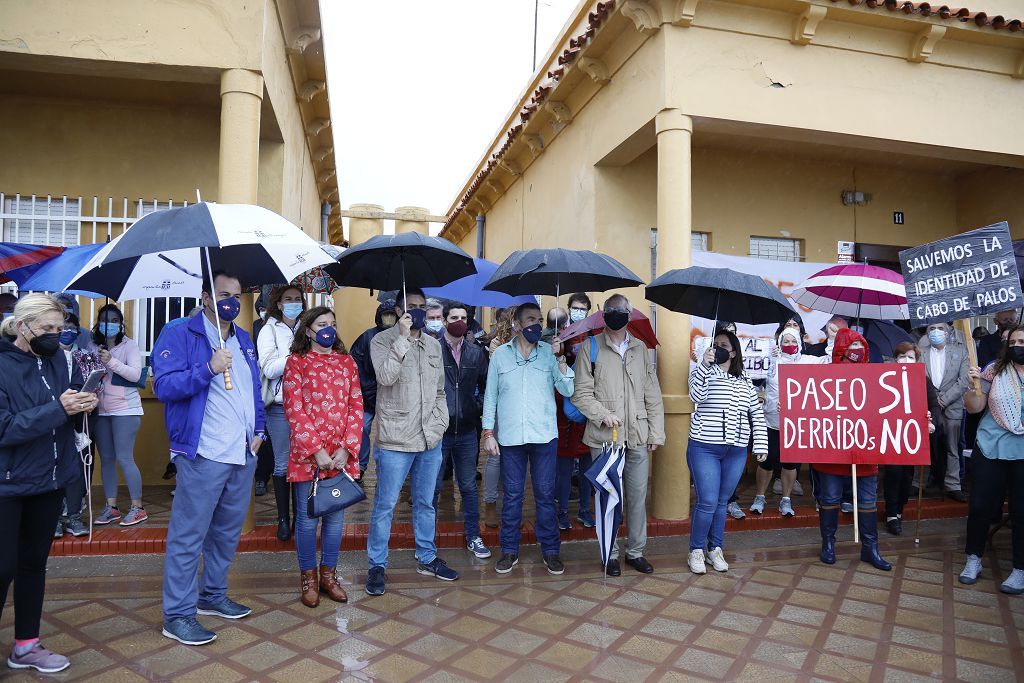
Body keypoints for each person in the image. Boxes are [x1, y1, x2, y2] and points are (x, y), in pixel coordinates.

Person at [153, 271, 266, 646]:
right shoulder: (179, 332)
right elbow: (165, 386)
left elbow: (254, 391)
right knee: (189, 536)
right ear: (204, 296)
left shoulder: (243, 338)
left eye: (236, 295)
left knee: (226, 533)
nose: (230, 301)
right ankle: (178, 615)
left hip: (241, 452)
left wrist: (260, 430)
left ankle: (212, 596)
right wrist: (207, 369)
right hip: (204, 452)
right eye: (222, 294)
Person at [0, 294, 97, 673]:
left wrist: (80, 403)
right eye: (47, 329)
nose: (56, 336)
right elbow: (5, 427)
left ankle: (26, 644)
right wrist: (59, 408)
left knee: (33, 565)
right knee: (2, 567)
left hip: (50, 477)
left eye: (61, 329)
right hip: (8, 483)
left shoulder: (57, 359)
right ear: (22, 327)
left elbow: (61, 410)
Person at [366, 288, 456, 596]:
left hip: (430, 437)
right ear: (398, 309)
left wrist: (440, 422)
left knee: (426, 502)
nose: (417, 311)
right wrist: (401, 340)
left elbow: (441, 390)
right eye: (411, 307)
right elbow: (386, 377)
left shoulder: (434, 345)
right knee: (385, 505)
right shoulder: (381, 341)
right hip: (395, 439)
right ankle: (377, 564)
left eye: (421, 306)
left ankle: (426, 556)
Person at [571, 294, 664, 575]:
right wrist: (602, 414)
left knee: (637, 497)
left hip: (637, 433)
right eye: (610, 311)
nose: (616, 315)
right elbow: (581, 393)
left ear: (629, 314)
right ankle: (609, 553)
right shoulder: (591, 348)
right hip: (605, 437)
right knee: (608, 497)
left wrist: (656, 432)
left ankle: (635, 551)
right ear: (604, 315)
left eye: (621, 311)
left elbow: (653, 394)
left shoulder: (640, 349)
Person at [483, 302, 574, 575]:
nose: (536, 324)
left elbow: (567, 387)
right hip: (510, 438)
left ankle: (551, 551)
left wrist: (561, 359)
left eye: (539, 319)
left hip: (544, 436)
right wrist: (489, 432)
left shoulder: (548, 353)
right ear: (518, 325)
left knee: (546, 496)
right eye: (530, 319)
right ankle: (509, 551)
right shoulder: (500, 355)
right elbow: (491, 396)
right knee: (512, 496)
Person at [283, 306, 362, 607]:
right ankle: (308, 578)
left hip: (340, 458)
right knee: (305, 520)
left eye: (333, 324)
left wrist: (346, 448)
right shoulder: (296, 362)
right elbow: (294, 409)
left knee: (335, 519)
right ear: (308, 330)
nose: (329, 329)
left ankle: (329, 576)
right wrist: (316, 451)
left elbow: (356, 406)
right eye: (321, 324)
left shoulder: (347, 363)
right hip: (309, 457)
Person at [687, 329, 767, 574]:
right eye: (716, 344)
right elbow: (695, 395)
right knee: (708, 501)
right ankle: (696, 551)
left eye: (724, 345)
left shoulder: (744, 379)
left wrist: (761, 444)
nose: (719, 348)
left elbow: (755, 412)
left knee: (722, 502)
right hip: (705, 447)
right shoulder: (703, 372)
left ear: (733, 351)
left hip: (736, 450)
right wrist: (703, 365)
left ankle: (715, 549)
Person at [814, 328, 891, 571]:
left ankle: (870, 548)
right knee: (830, 498)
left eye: (860, 346)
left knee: (868, 499)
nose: (856, 351)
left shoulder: (875, 376)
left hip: (865, 450)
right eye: (851, 346)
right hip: (832, 451)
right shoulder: (823, 376)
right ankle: (828, 544)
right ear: (841, 348)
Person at [960, 325, 1024, 594]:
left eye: (1023, 340)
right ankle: (973, 559)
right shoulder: (994, 369)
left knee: (1021, 511)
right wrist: (974, 385)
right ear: (1006, 345)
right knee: (980, 506)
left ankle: (1019, 570)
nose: (1019, 345)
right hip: (990, 446)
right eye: (1014, 341)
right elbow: (975, 407)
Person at [433, 301, 490, 558]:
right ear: (444, 320)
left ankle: (473, 536)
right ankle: (427, 540)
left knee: (468, 486)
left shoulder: (476, 352)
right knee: (432, 487)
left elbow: (486, 386)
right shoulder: (432, 349)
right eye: (454, 317)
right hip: (438, 431)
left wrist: (475, 406)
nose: (459, 321)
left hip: (467, 430)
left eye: (463, 317)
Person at [750, 326, 823, 518]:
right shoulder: (772, 361)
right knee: (766, 461)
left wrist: (832, 339)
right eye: (785, 341)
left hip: (795, 424)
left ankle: (786, 499)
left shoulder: (808, 361)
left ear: (799, 343)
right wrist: (768, 357)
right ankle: (759, 497)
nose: (789, 345)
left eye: (793, 341)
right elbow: (756, 382)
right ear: (779, 343)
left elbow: (830, 362)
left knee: (790, 464)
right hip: (771, 421)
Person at [89, 304, 147, 527]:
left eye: (114, 320)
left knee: (124, 457)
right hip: (101, 410)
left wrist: (110, 361)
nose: (109, 324)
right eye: (104, 320)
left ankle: (137, 507)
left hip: (126, 409)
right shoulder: (93, 345)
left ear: (120, 323)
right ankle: (111, 507)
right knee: (107, 459)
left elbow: (134, 375)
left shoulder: (129, 345)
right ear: (98, 323)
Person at [257, 285, 306, 541]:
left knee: (303, 462)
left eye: (298, 299)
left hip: (307, 406)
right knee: (281, 464)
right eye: (288, 299)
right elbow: (269, 368)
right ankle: (283, 519)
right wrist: (295, 356)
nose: (293, 303)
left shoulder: (308, 327)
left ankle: (301, 517)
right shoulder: (268, 330)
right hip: (279, 406)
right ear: (278, 303)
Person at [884, 342, 940, 535]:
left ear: (916, 361)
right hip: (890, 434)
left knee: (907, 475)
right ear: (895, 359)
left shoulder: (923, 380)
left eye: (910, 357)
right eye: (902, 357)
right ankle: (891, 513)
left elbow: (934, 406)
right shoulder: (886, 378)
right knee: (893, 473)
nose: (905, 361)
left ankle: (899, 509)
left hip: (911, 436)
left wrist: (931, 422)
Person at [54, 314, 101, 539]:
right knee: (53, 468)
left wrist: (85, 399)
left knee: (76, 467)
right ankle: (54, 518)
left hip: (79, 418)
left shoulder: (82, 356)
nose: (67, 331)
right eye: (62, 328)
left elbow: (82, 383)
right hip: (51, 419)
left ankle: (73, 515)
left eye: (72, 328)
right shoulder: (46, 356)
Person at [921, 321, 968, 502]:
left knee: (952, 447)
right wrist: (933, 400)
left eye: (940, 328)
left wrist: (944, 399)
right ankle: (919, 482)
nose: (936, 331)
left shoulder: (961, 352)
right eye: (931, 329)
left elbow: (964, 381)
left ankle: (953, 484)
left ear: (948, 333)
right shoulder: (921, 354)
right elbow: (918, 378)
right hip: (927, 406)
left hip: (953, 405)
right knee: (924, 445)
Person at [350, 299, 397, 479]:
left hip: (393, 396)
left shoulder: (401, 337)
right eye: (386, 315)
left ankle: (388, 471)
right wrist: (369, 389)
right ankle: (359, 468)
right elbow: (355, 363)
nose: (389, 319)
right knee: (362, 428)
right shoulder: (367, 336)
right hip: (367, 396)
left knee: (390, 434)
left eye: (392, 315)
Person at [483, 305, 517, 527]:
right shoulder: (497, 344)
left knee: (516, 458)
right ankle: (490, 504)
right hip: (500, 407)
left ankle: (511, 507)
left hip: (521, 409)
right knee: (496, 457)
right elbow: (497, 376)